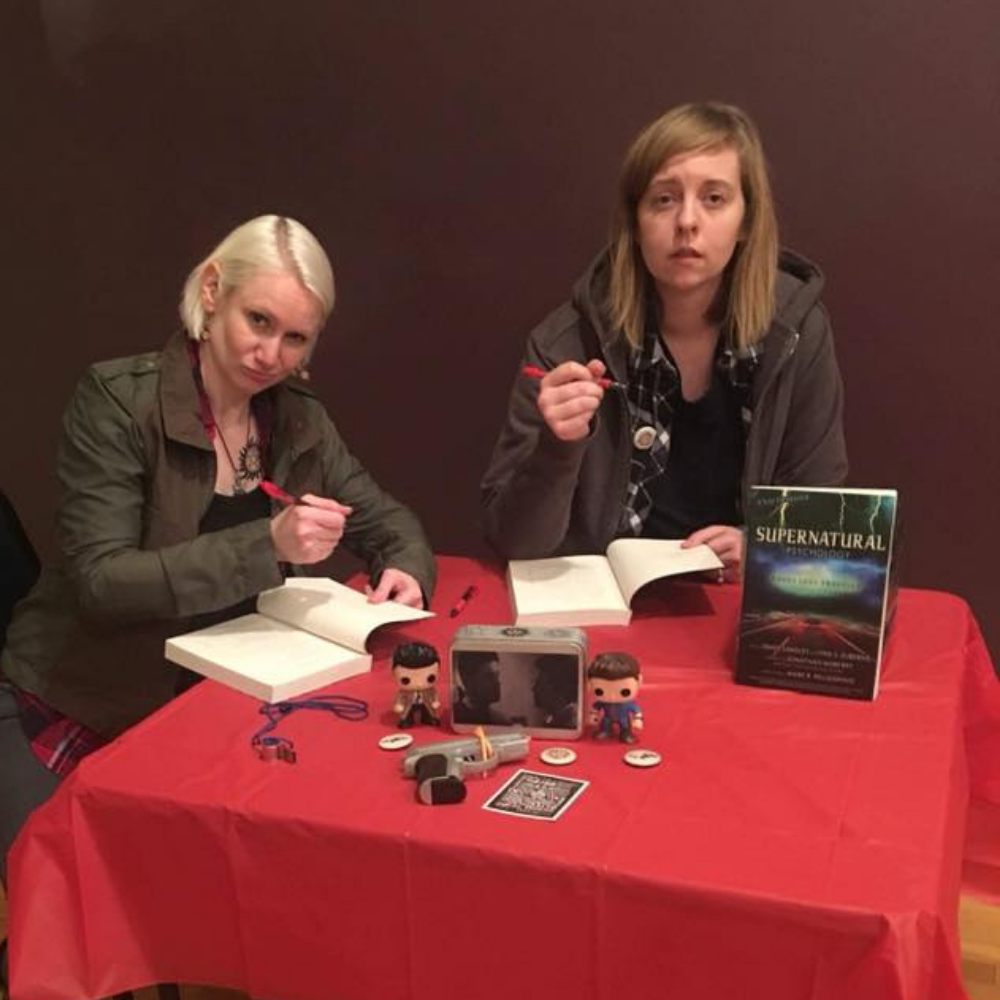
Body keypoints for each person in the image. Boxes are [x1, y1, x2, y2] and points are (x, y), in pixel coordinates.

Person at [0, 215, 435, 886]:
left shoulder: (296, 417)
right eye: (258, 321)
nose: (272, 354)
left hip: (209, 704)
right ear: (211, 292)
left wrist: (404, 566)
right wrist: (265, 543)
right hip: (81, 696)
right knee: (72, 902)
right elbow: (103, 584)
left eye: (296, 337)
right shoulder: (118, 402)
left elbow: (386, 519)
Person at [482, 102, 847, 571]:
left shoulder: (795, 334)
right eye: (664, 199)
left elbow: (821, 517)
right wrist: (558, 448)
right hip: (609, 609)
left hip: (736, 606)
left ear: (747, 222)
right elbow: (514, 543)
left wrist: (758, 547)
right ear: (635, 224)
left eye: (714, 198)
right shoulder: (566, 345)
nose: (687, 222)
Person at [391, 641, 442, 728]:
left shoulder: (429, 690)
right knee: (407, 713)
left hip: (426, 702)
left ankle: (429, 718)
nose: (419, 684)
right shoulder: (404, 692)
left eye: (430, 678)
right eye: (406, 680)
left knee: (429, 711)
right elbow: (400, 697)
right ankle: (406, 721)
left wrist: (435, 701)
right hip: (409, 703)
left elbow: (434, 694)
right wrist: (398, 704)